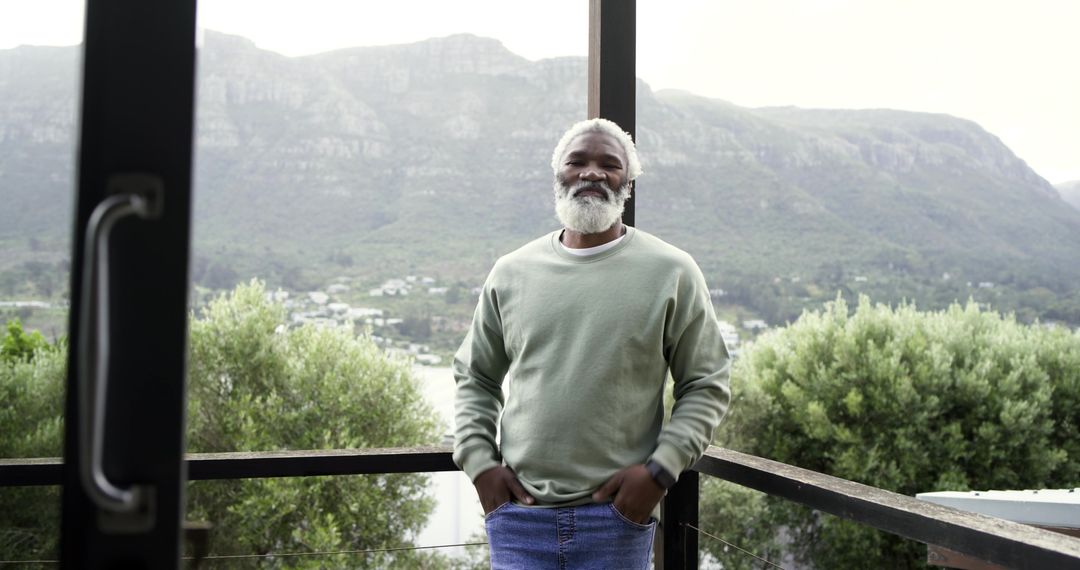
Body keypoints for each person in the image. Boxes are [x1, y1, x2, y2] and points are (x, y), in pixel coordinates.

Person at [453, 117, 730, 569]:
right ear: (558, 175)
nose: (593, 172)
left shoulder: (672, 272)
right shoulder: (511, 271)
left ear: (628, 183)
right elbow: (475, 377)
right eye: (577, 161)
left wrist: (659, 473)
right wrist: (481, 466)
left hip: (617, 519)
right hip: (519, 518)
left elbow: (706, 383)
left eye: (610, 164)